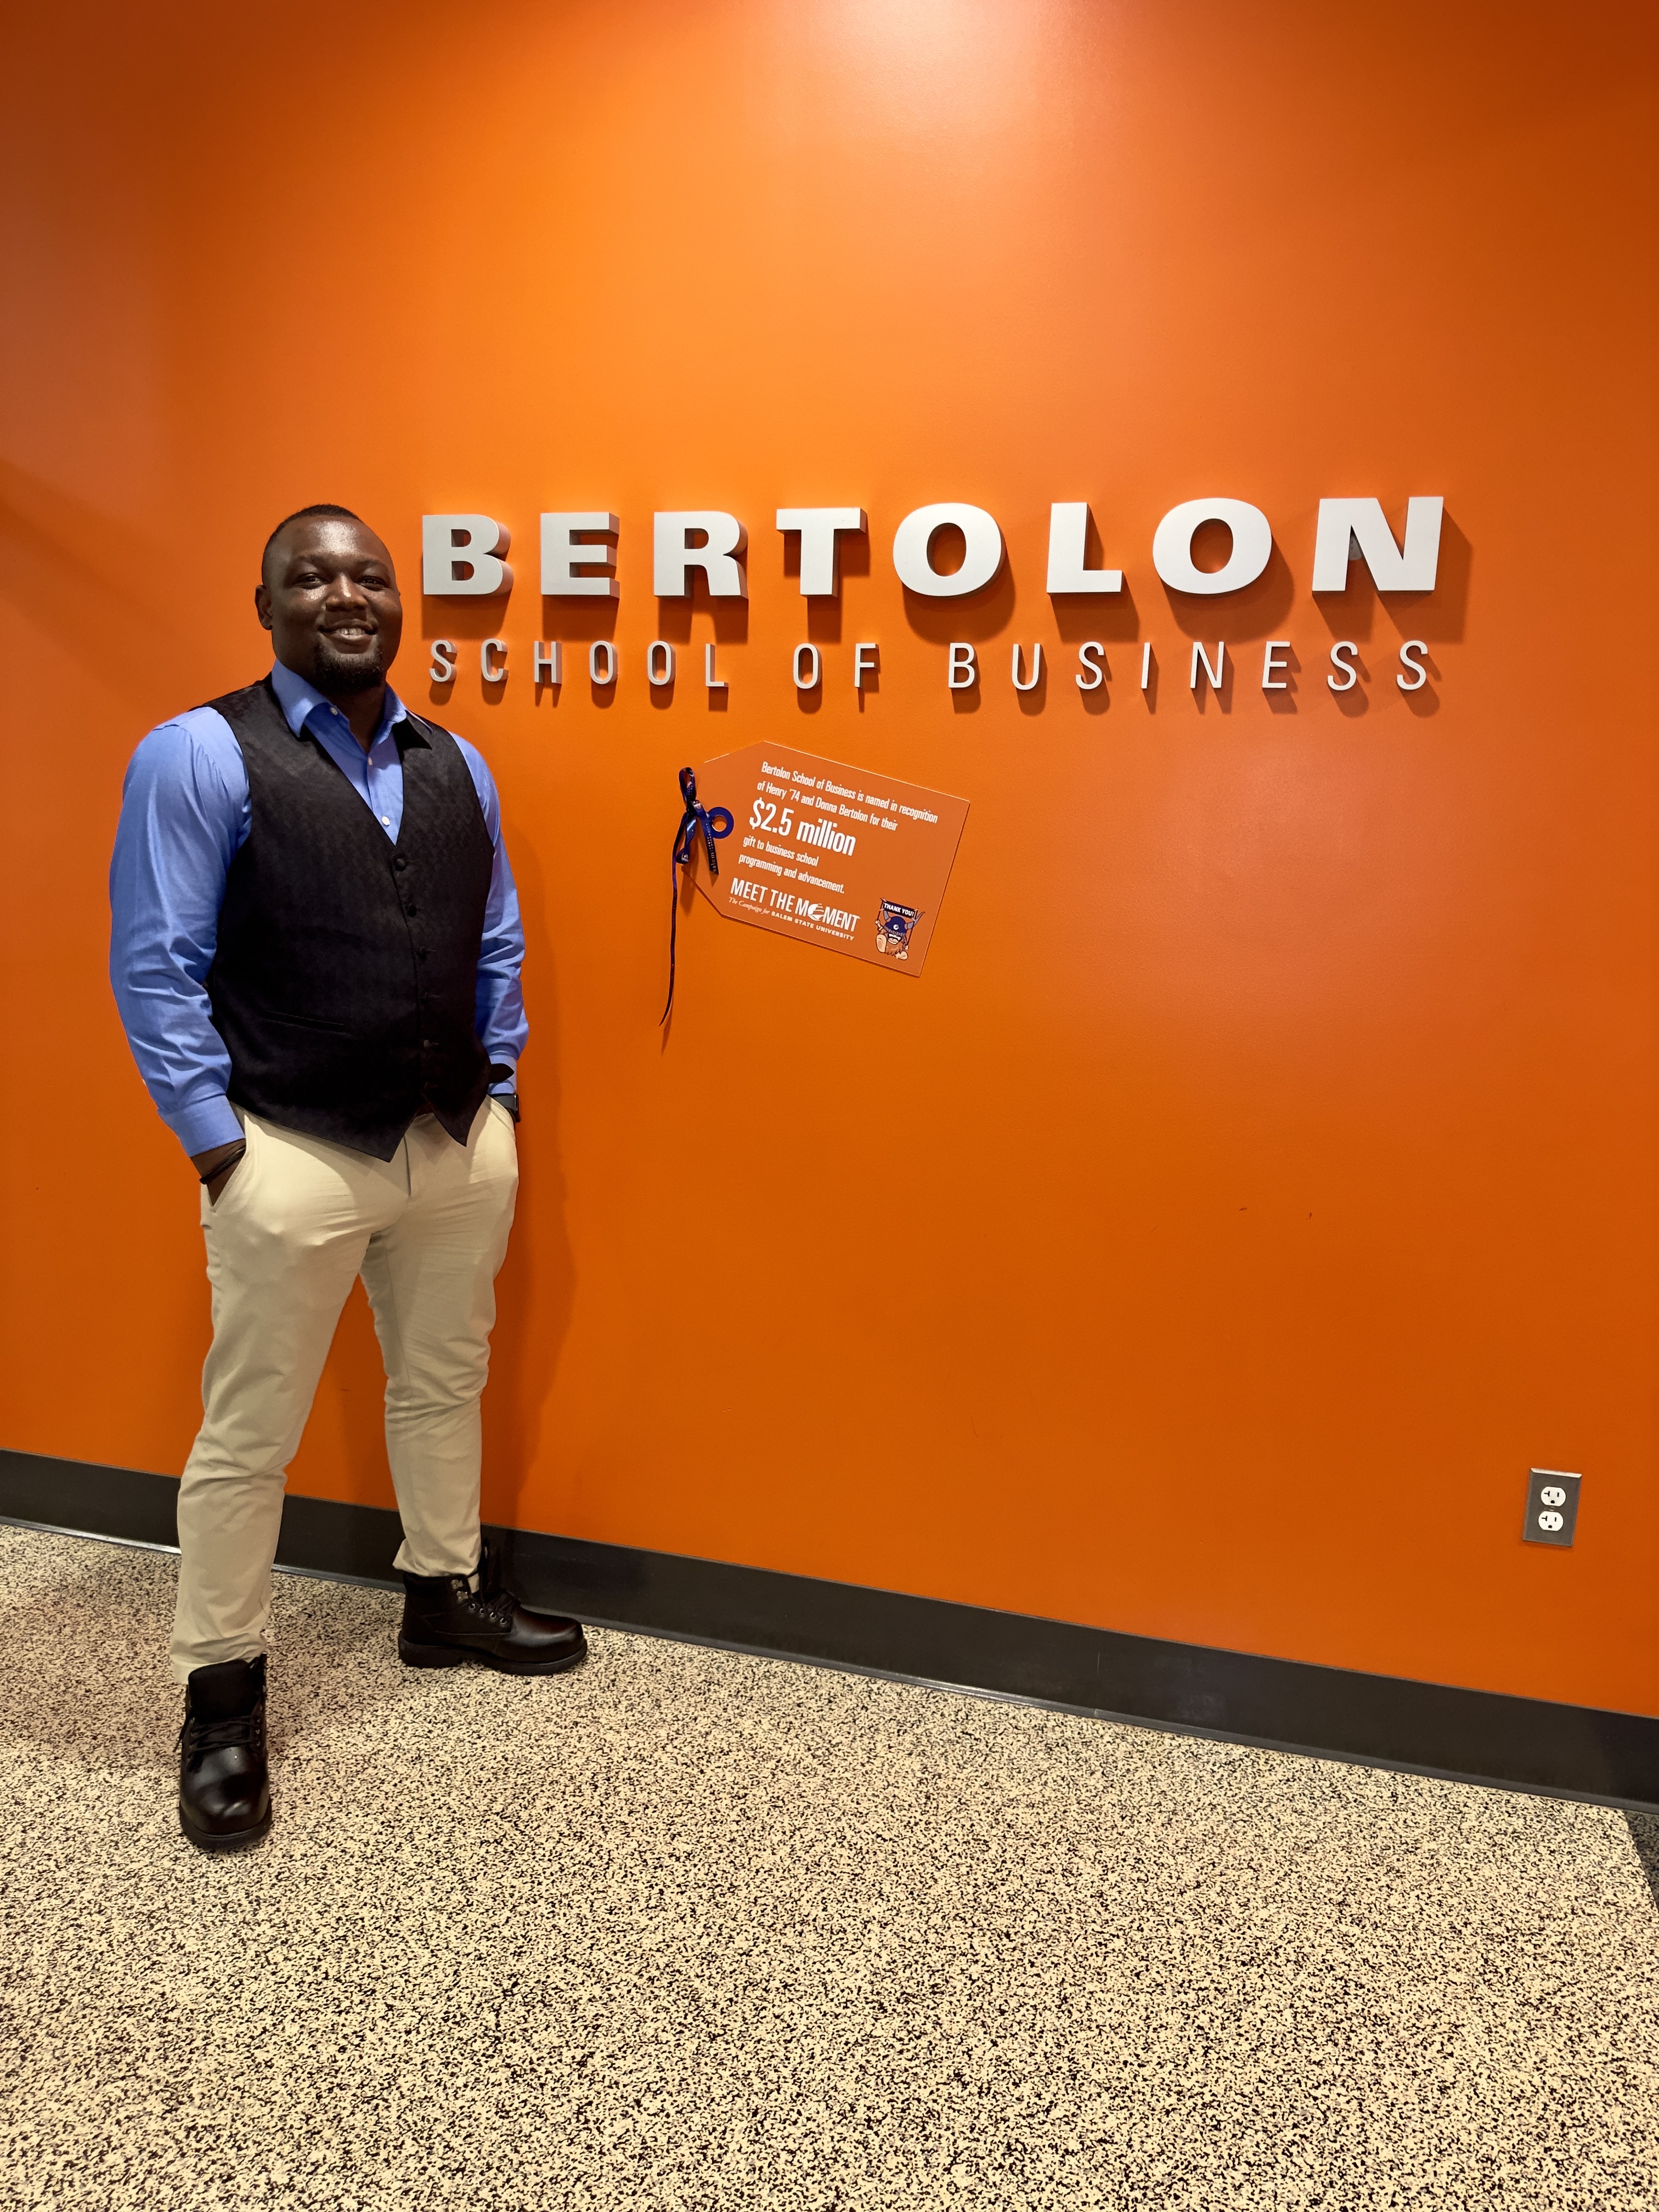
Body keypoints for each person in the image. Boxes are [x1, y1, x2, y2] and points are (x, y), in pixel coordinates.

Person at [109, 504, 585, 1854]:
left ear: (399, 600)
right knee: (247, 1430)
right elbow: (155, 963)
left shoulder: (456, 762)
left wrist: (496, 1088)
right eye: (312, 577)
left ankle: (445, 1597)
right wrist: (217, 1145)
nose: (347, 594)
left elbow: (493, 940)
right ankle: (222, 1694)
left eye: (368, 575)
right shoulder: (197, 754)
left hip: (450, 1140)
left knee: (444, 1378)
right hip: (289, 1146)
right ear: (263, 602)